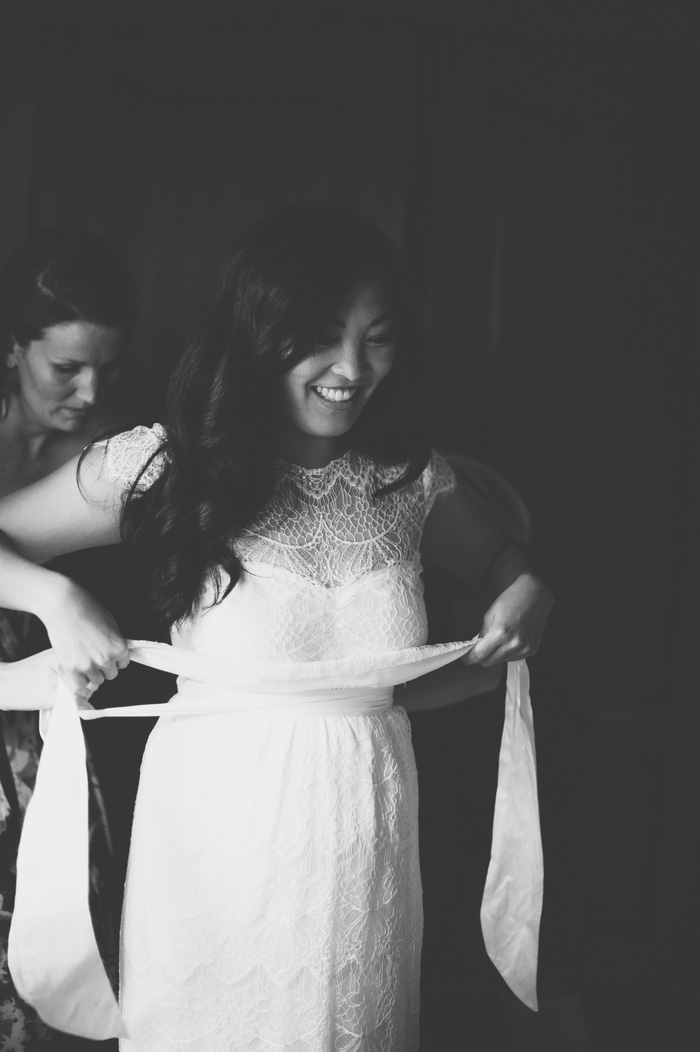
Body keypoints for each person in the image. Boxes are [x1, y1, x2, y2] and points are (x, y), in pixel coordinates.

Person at [0, 202, 553, 1051]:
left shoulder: (410, 482)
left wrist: (526, 595)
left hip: (369, 831)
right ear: (261, 335)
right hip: (215, 840)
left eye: (379, 336)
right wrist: (55, 599)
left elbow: (503, 574)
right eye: (324, 334)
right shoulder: (165, 464)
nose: (352, 367)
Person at [0, 227, 135, 1048]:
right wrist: (53, 594)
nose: (89, 391)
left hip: (54, 743)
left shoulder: (106, 450)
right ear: (14, 348)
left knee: (48, 958)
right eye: (66, 369)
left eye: (109, 369)